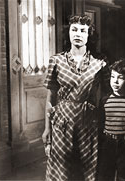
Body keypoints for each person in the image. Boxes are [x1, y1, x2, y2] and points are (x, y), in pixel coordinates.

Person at [42, 14, 110, 181]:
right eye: (74, 30)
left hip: (89, 122)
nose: (78, 34)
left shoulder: (100, 62)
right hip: (62, 122)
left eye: (83, 31)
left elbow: (108, 94)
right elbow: (50, 98)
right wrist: (46, 128)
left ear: (89, 35)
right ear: (69, 33)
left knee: (87, 168)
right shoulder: (56, 61)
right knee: (62, 169)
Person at [97, 58, 125, 181]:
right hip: (107, 144)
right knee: (104, 176)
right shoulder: (105, 100)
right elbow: (100, 124)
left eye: (121, 78)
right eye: (113, 77)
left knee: (124, 177)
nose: (115, 81)